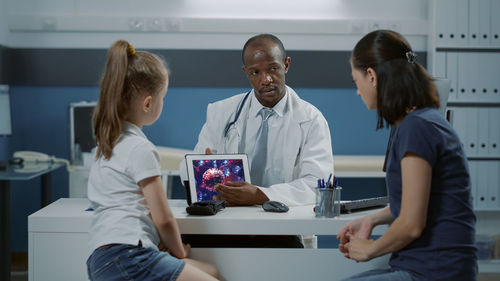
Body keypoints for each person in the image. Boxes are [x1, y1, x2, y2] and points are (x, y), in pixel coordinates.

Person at [337, 30, 477, 281]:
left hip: (435, 271)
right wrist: (372, 218)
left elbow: (411, 224)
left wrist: (371, 249)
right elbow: (417, 202)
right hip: (429, 265)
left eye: (355, 81)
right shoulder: (421, 121)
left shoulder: (417, 127)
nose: (357, 92)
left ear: (371, 76)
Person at [181, 33, 333, 248]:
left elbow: (317, 185)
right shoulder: (222, 112)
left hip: (282, 226)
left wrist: (260, 195)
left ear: (286, 65)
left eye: (273, 68)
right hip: (226, 223)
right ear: (246, 73)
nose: (266, 79)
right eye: (255, 72)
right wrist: (201, 171)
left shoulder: (311, 120)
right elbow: (186, 171)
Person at [86, 40, 219, 281]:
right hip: (129, 255)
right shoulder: (141, 148)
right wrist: (179, 252)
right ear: (148, 103)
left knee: (213, 273)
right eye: (163, 97)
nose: (162, 103)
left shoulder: (105, 145)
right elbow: (163, 217)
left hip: (101, 258)